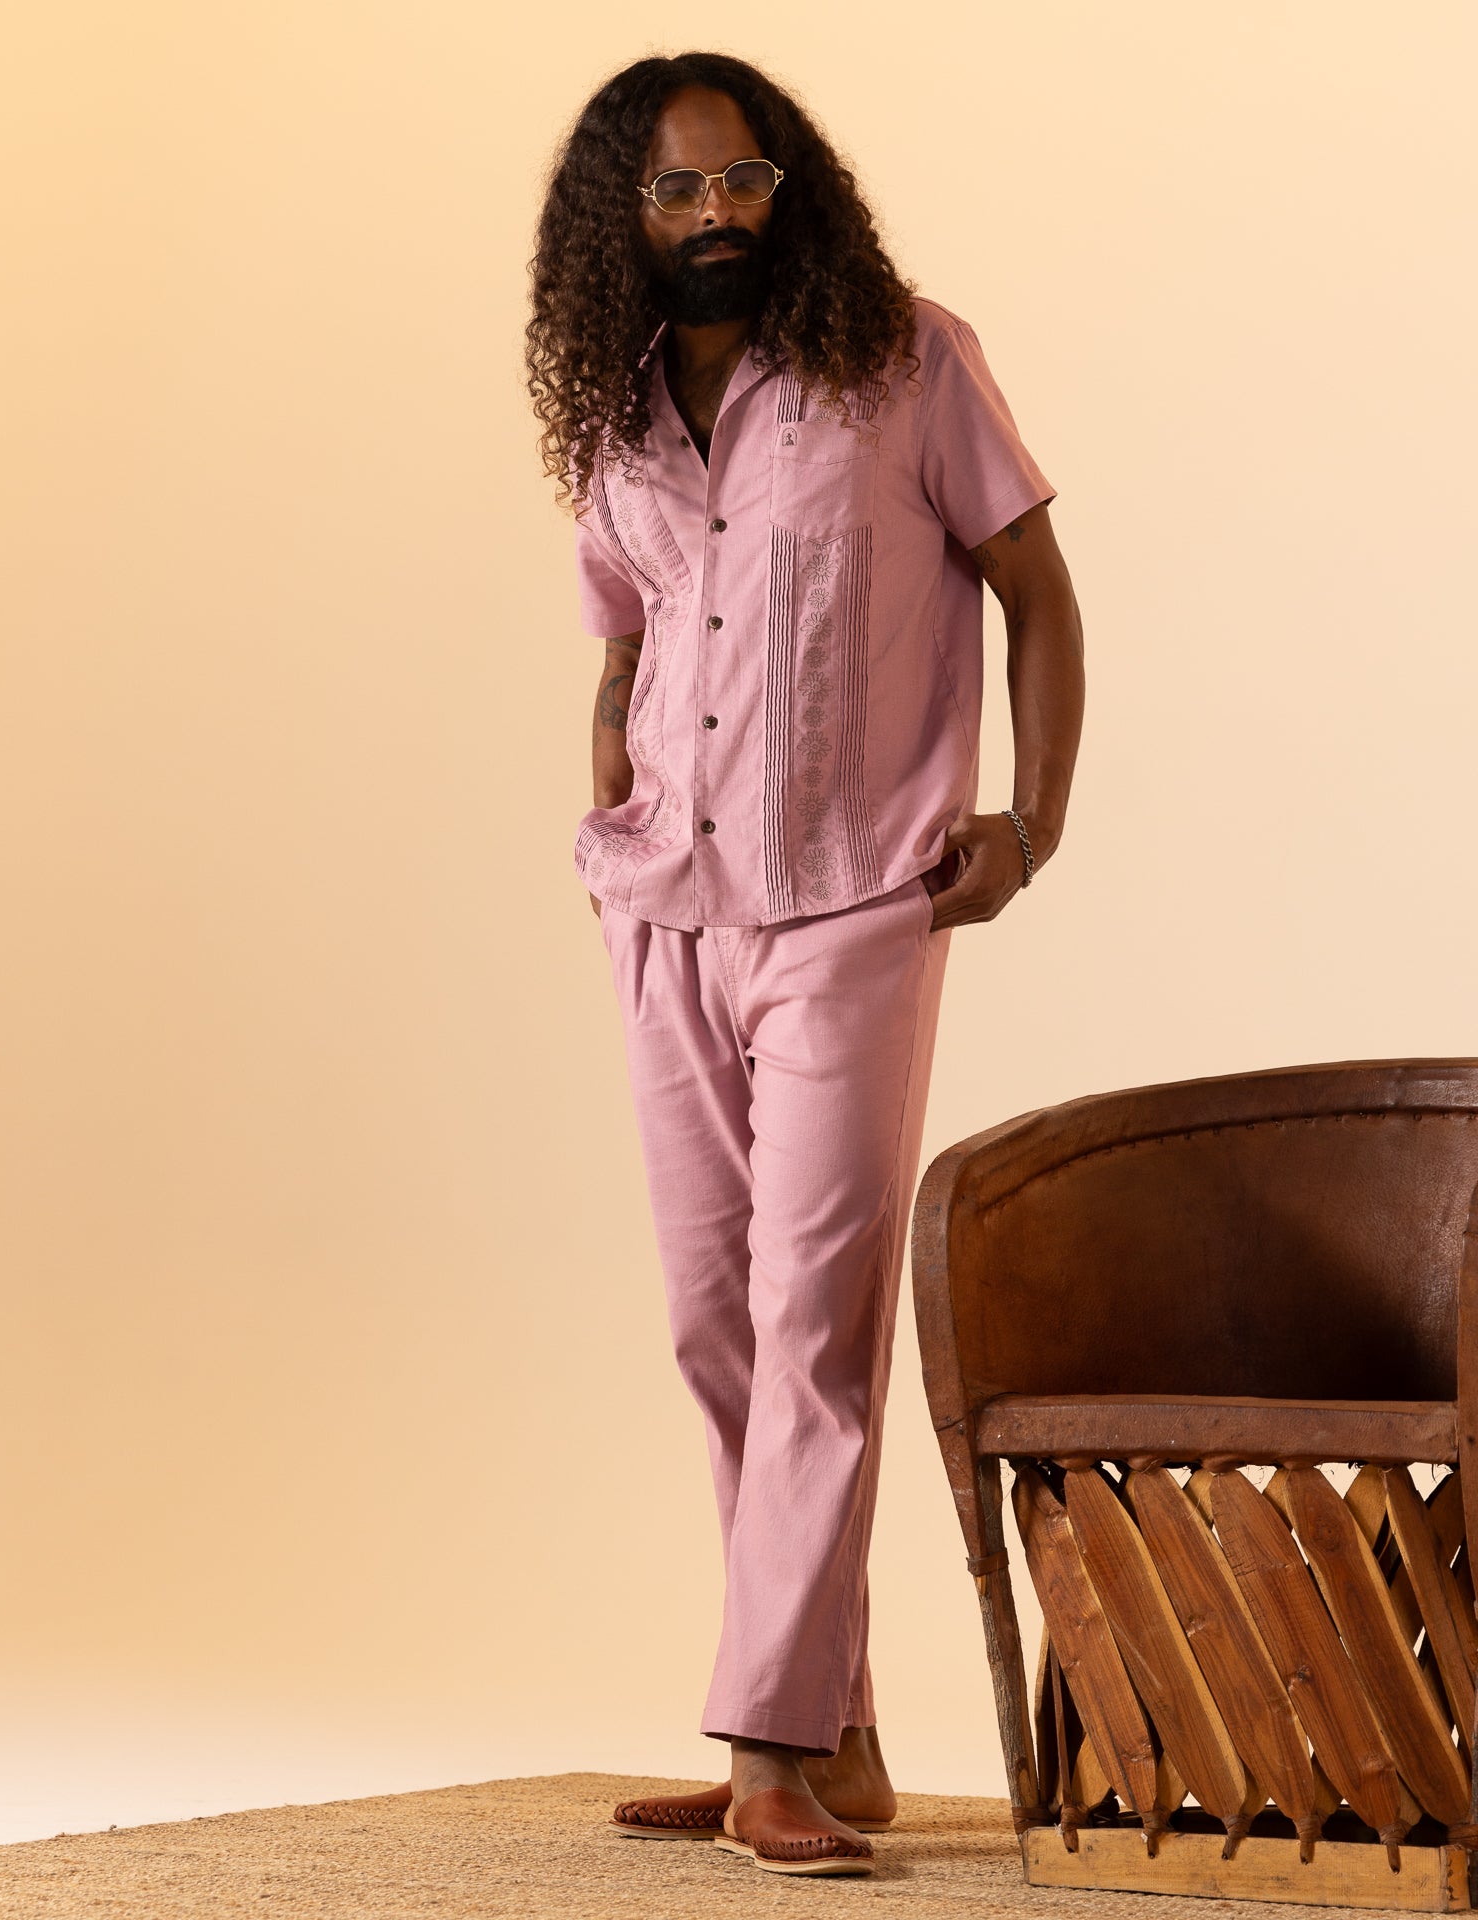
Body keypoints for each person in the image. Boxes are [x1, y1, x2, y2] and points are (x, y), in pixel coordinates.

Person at [525, 51, 1085, 1878]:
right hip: (663, 912)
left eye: (742, 181)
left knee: (813, 1320)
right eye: (676, 193)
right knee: (715, 1322)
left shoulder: (907, 362)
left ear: (794, 187)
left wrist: (1033, 821)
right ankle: (832, 1736)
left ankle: (765, 1740)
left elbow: (1038, 589)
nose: (713, 217)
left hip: (853, 908)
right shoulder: (613, 417)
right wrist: (605, 746)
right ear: (623, 220)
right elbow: (626, 627)